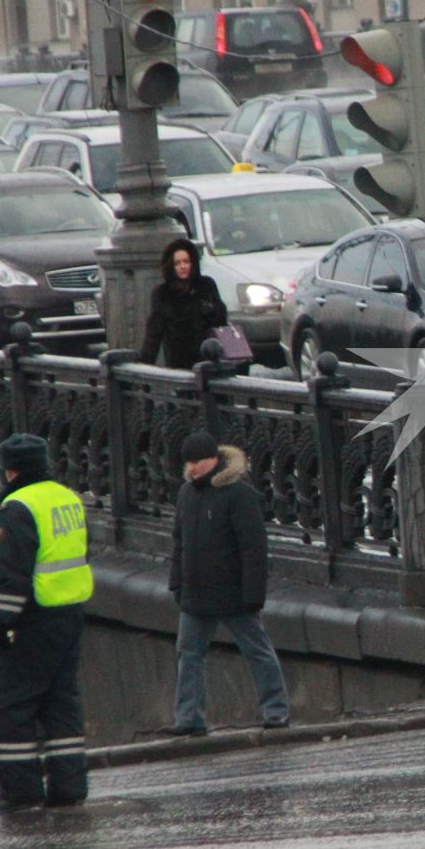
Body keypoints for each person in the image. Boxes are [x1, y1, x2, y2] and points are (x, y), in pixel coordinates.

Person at [0, 434, 92, 813]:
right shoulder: (67, 498)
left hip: (32, 618)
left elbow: (13, 575)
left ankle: (20, 793)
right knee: (60, 703)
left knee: (10, 704)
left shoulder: (16, 509)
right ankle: (68, 787)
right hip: (70, 613)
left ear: (10, 470)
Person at [164, 430, 289, 736]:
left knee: (257, 651)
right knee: (188, 654)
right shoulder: (186, 494)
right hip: (195, 595)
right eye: (189, 462)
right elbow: (180, 543)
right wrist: (176, 584)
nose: (193, 468)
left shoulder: (239, 494)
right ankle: (189, 719)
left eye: (199, 461)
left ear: (215, 460)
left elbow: (253, 548)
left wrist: (253, 593)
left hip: (233, 593)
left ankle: (276, 713)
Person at [140, 237, 227, 369]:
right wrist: (144, 366)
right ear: (171, 266)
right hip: (179, 365)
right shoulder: (162, 293)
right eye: (177, 263)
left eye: (186, 261)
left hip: (209, 362)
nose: (182, 266)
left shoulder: (206, 285)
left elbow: (221, 319)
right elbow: (154, 332)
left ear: (193, 262)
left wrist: (211, 310)